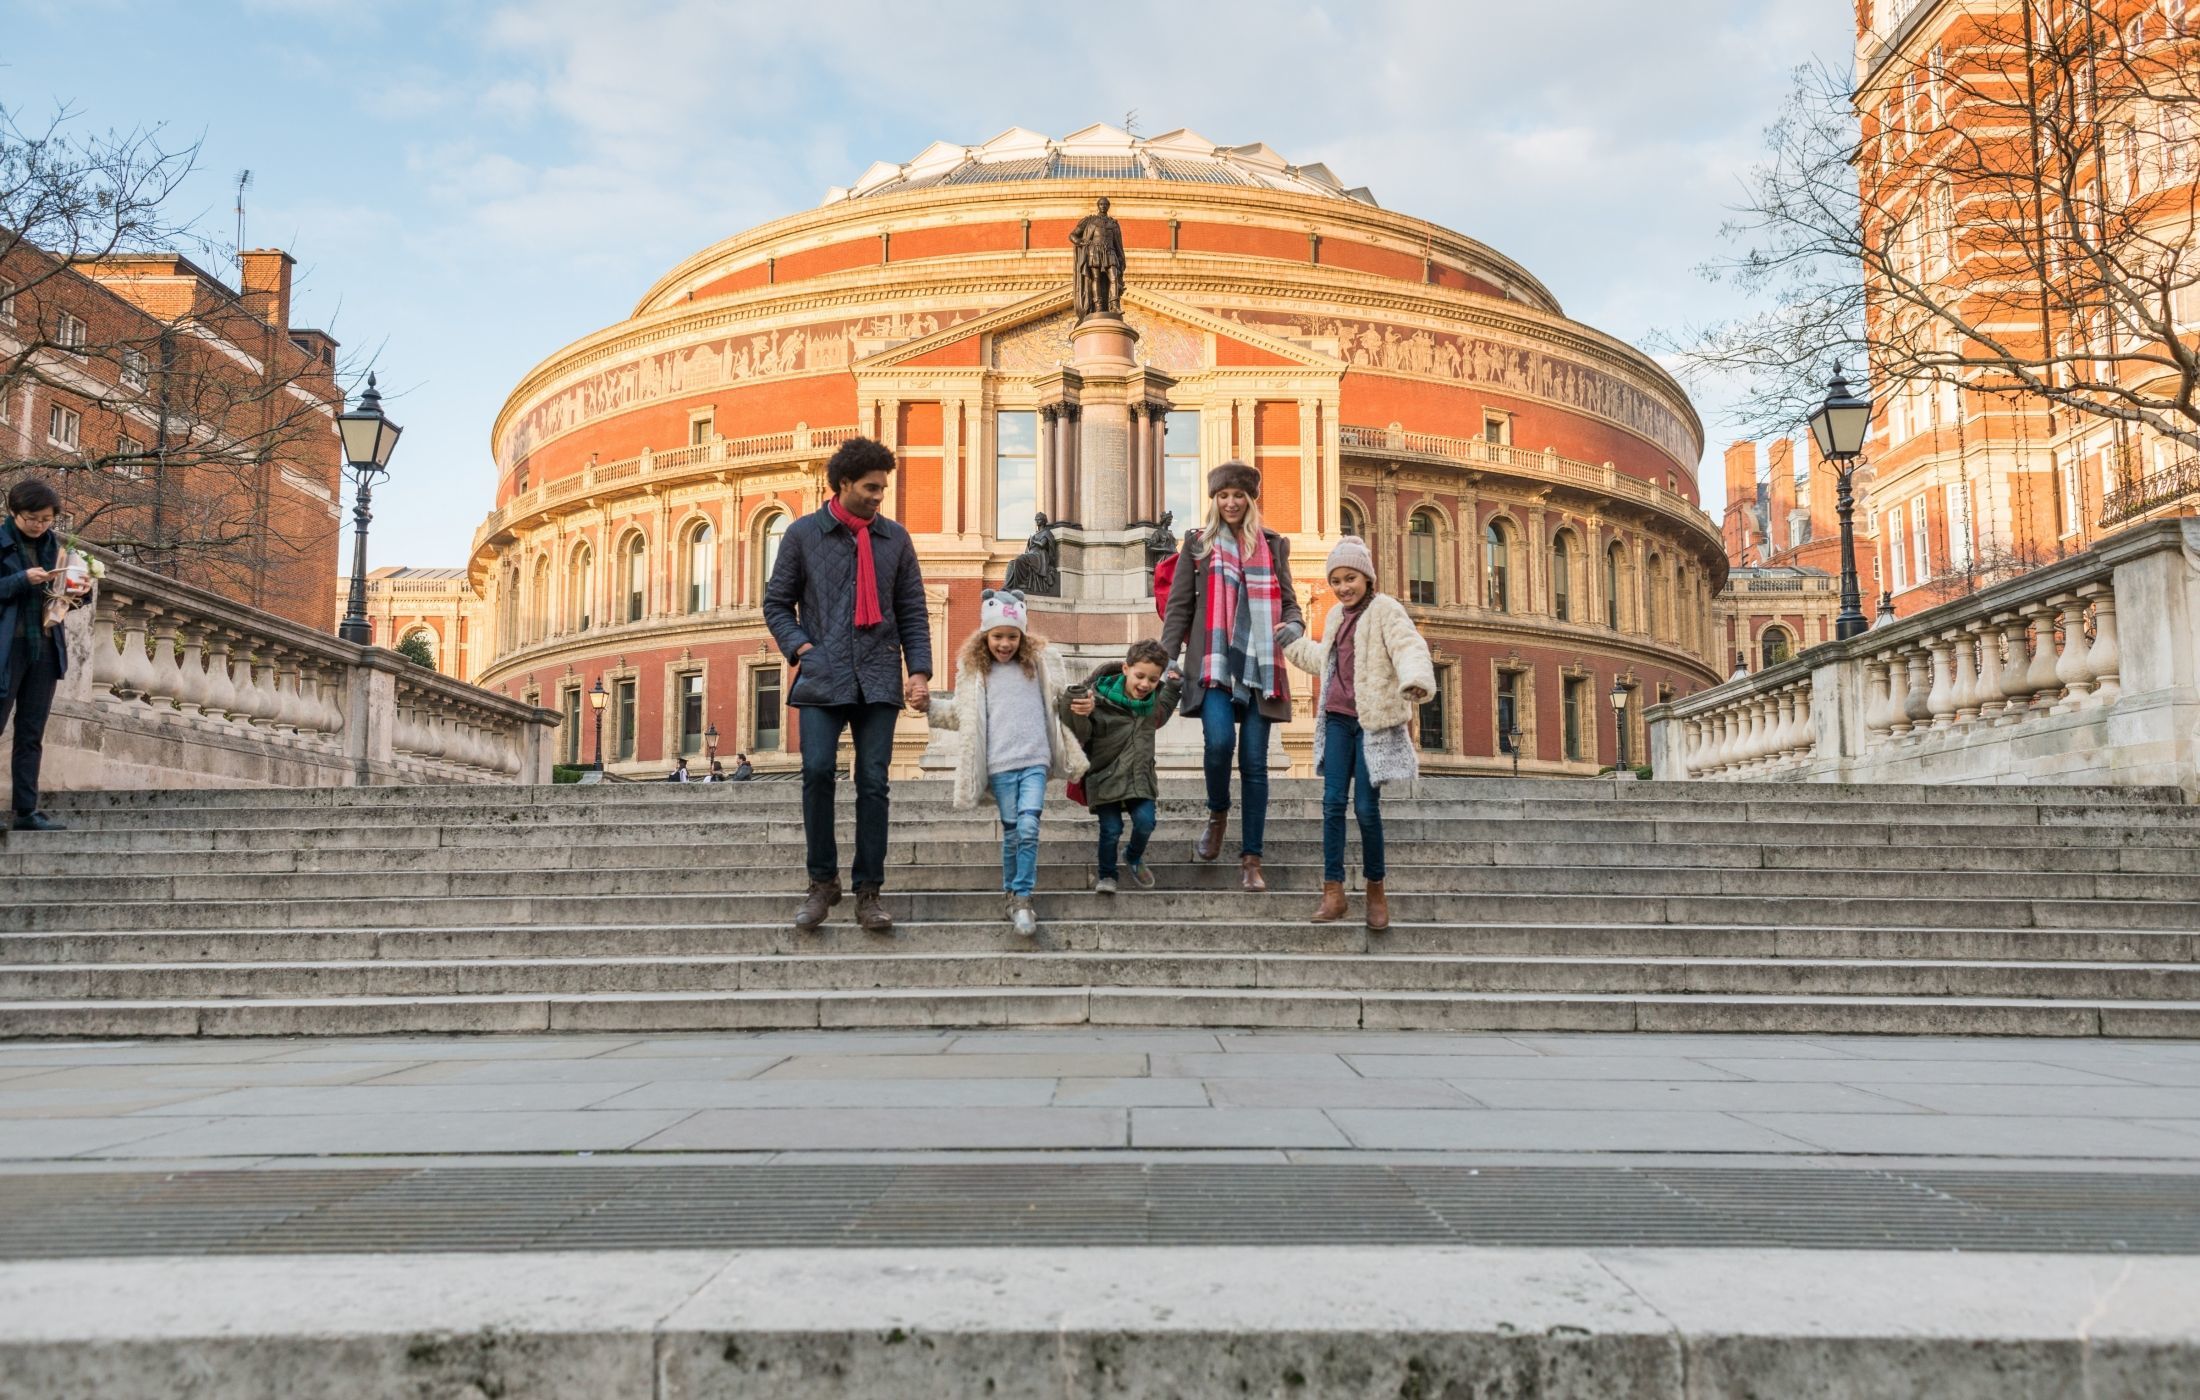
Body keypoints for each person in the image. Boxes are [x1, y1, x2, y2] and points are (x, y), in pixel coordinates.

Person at [763, 437, 932, 933]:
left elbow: (913, 611)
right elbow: (776, 603)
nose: (880, 495)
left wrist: (918, 670)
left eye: (884, 487)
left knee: (874, 783)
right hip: (823, 673)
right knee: (816, 772)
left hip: (878, 673)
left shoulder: (895, 540)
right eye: (871, 487)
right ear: (842, 485)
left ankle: (868, 891)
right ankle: (822, 884)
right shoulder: (801, 535)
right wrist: (802, 648)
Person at [1158, 462, 1304, 892]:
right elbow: (1179, 608)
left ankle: (1251, 860)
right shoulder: (1197, 546)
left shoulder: (1274, 546)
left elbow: (1291, 605)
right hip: (1214, 663)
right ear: (1214, 501)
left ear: (1250, 499)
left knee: (1255, 764)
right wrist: (1167, 658)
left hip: (1261, 666)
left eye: (1239, 495)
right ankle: (1217, 813)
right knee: (1219, 743)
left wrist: (1293, 627)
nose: (1232, 502)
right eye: (1224, 496)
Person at [1284, 536, 1435, 931]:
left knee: (1366, 809)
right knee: (1333, 804)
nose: (1342, 587)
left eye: (1350, 578)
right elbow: (1324, 660)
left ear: (1367, 577)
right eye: (1336, 581)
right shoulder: (1335, 616)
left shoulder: (1386, 610)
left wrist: (1416, 679)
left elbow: (1408, 647)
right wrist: (1292, 644)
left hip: (1371, 724)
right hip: (1336, 719)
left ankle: (1375, 890)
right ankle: (1332, 892)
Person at [926, 589, 1085, 936]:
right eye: (998, 636)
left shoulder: (1040, 665)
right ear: (986, 636)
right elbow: (959, 715)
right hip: (999, 764)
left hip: (1035, 761)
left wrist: (1082, 703)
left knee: (1028, 828)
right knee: (1013, 833)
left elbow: (1060, 702)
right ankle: (1011, 893)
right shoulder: (975, 673)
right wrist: (927, 708)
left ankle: (1024, 896)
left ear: (1022, 637)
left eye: (1012, 636)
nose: (1005, 643)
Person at [1061, 638, 1181, 894]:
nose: (1145, 684)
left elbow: (1166, 709)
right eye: (1140, 676)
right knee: (1111, 829)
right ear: (1125, 669)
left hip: (1140, 778)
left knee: (1146, 822)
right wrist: (1079, 711)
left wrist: (1175, 687)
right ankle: (1107, 875)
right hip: (1104, 777)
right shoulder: (1098, 699)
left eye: (1152, 679)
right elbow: (1081, 733)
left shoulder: (1153, 703)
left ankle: (1133, 856)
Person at [0, 479, 74, 832]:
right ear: (14, 512)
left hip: (44, 647)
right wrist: (20, 579)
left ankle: (26, 812)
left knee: (31, 733)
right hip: (6, 648)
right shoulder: (1, 543)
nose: (39, 525)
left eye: (46, 519)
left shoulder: (54, 548)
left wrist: (78, 590)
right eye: (32, 518)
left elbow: (62, 601)